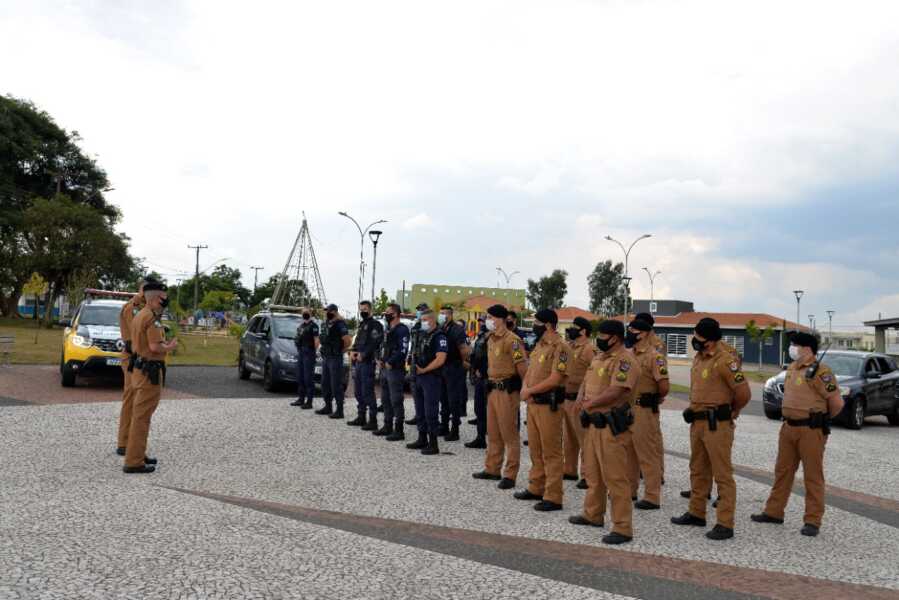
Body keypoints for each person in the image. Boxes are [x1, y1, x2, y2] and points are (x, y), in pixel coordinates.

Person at [751, 331, 843, 537]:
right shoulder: (792, 368)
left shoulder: (821, 372)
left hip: (811, 430)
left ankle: (812, 520)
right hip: (788, 428)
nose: (791, 348)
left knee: (812, 476)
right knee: (782, 472)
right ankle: (773, 512)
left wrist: (822, 421)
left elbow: (837, 403)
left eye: (795, 345)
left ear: (807, 348)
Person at [671, 317, 751, 540]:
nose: (693, 340)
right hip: (697, 423)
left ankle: (725, 523)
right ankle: (697, 512)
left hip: (717, 425)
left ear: (708, 339)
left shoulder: (725, 361)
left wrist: (732, 412)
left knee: (722, 474)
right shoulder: (698, 359)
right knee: (697, 469)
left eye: (697, 336)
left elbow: (744, 393)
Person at [568, 319, 638, 544]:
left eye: (603, 335)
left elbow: (617, 390)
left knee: (616, 478)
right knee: (593, 474)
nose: (599, 339)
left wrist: (591, 403)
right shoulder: (599, 357)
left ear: (615, 337)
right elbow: (587, 381)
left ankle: (622, 527)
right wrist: (581, 398)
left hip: (611, 426)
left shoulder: (625, 360)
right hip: (593, 425)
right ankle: (593, 514)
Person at [516, 309, 570, 511]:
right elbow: (530, 371)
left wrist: (530, 390)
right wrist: (525, 389)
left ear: (548, 325)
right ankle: (536, 487)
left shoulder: (561, 347)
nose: (533, 326)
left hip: (549, 405)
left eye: (536, 322)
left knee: (552, 452)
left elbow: (556, 379)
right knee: (535, 450)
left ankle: (554, 496)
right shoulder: (540, 345)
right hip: (533, 404)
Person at [124, 282, 177, 474]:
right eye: (164, 298)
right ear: (155, 299)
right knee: (142, 418)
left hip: (140, 370)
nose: (165, 301)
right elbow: (155, 347)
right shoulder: (152, 319)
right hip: (149, 373)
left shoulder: (140, 315)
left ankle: (137, 453)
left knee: (139, 415)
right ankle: (134, 461)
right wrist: (169, 347)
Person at [472, 304, 527, 489]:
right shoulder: (490, 339)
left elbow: (522, 368)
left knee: (509, 434)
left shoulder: (513, 340)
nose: (488, 321)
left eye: (490, 317)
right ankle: (492, 469)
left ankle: (510, 474)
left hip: (507, 391)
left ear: (500, 319)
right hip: (492, 389)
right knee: (493, 432)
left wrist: (525, 390)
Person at [625, 318, 669, 510]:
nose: (629, 333)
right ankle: (630, 490)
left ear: (642, 333)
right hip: (628, 408)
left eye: (632, 330)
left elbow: (664, 386)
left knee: (647, 453)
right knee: (629, 452)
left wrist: (654, 398)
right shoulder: (628, 354)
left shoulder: (654, 356)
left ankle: (652, 496)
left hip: (644, 409)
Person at [116, 278, 151, 456]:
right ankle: (125, 442)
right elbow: (135, 335)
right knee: (131, 398)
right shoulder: (134, 307)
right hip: (132, 358)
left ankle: (131, 443)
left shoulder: (145, 307)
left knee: (138, 399)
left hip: (139, 357)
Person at [405, 310, 448, 455]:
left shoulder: (439, 336)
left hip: (431, 378)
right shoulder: (422, 335)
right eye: (421, 319)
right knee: (420, 410)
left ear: (432, 320)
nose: (422, 322)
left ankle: (433, 443)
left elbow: (441, 358)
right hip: (418, 377)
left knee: (431, 411)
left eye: (424, 320)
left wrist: (425, 370)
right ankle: (421, 438)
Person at [561, 316, 595, 489]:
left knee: (584, 439)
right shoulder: (570, 347)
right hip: (566, 398)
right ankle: (569, 469)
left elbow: (593, 373)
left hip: (579, 399)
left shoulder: (589, 349)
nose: (571, 330)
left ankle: (587, 475)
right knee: (569, 438)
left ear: (583, 331)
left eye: (575, 327)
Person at [375, 303, 410, 441]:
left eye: (388, 312)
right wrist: (379, 359)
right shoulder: (388, 329)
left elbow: (403, 350)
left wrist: (391, 362)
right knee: (385, 399)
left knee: (396, 400)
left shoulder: (402, 330)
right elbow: (382, 346)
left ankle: (399, 430)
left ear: (395, 314)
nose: (385, 315)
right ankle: (387, 426)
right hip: (384, 368)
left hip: (395, 369)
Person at [348, 300, 384, 431]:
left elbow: (375, 342)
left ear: (370, 310)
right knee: (358, 391)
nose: (362, 311)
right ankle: (361, 417)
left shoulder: (376, 325)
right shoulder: (362, 324)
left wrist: (364, 354)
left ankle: (373, 420)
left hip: (368, 362)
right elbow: (357, 341)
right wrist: (353, 351)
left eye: (365, 309)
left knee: (367, 392)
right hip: (358, 363)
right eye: (361, 309)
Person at [438, 305, 470, 441]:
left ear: (450, 315)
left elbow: (464, 349)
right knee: (443, 399)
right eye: (440, 313)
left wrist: (464, 362)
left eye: (444, 313)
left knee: (453, 400)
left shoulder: (457, 330)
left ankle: (454, 430)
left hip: (453, 367)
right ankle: (444, 425)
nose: (441, 316)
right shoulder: (441, 329)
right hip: (442, 367)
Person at [317, 304, 351, 419]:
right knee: (325, 383)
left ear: (335, 312)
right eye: (326, 311)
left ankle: (340, 410)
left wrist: (341, 350)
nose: (326, 313)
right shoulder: (327, 323)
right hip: (326, 356)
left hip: (335, 357)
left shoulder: (340, 324)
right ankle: (328, 406)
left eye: (328, 311)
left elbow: (347, 340)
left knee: (336, 384)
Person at [465, 316, 490, 449]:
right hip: (479, 377)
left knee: (489, 410)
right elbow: (476, 354)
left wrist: (483, 371)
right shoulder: (482, 335)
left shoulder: (496, 337)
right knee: (479, 409)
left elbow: (494, 359)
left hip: (488, 378)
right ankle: (480, 438)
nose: (482, 323)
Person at [405, 303, 429, 427]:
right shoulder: (416, 325)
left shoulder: (429, 326)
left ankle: (427, 417)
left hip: (425, 363)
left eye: (421, 310)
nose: (419, 312)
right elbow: (412, 343)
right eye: (418, 310)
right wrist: (409, 356)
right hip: (414, 360)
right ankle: (418, 415)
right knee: (415, 390)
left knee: (427, 394)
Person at [291, 308, 320, 409]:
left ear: (311, 314)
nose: (305, 314)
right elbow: (297, 338)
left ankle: (309, 402)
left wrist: (314, 352)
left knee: (308, 378)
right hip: (301, 352)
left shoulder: (314, 326)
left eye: (307, 313)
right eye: (303, 313)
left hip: (309, 352)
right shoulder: (301, 326)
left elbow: (316, 341)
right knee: (300, 377)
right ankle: (301, 399)